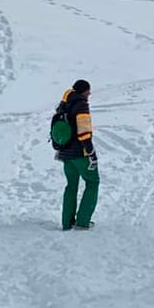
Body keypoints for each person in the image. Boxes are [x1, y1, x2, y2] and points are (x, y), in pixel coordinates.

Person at [51, 79, 98, 230]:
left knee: (71, 185)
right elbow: (84, 133)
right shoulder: (81, 105)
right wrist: (91, 152)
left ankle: (67, 222)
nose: (89, 94)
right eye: (88, 91)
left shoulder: (63, 105)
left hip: (65, 152)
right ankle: (83, 221)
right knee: (92, 182)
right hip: (80, 154)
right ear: (84, 91)